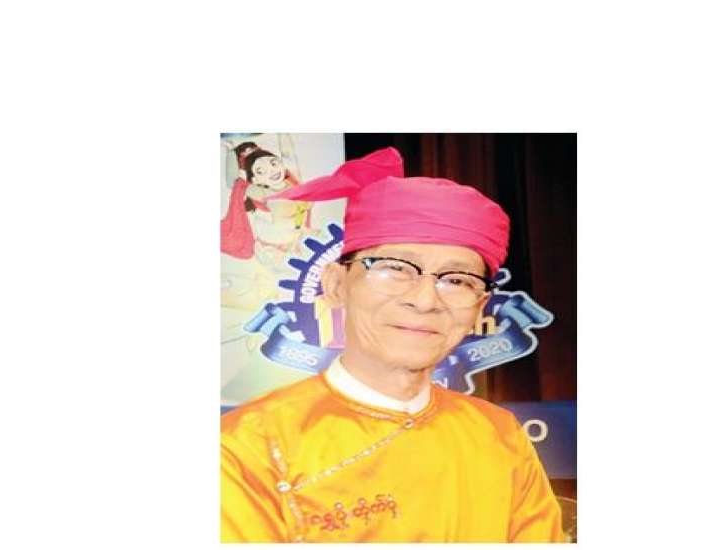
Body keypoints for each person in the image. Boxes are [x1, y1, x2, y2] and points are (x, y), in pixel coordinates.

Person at [220, 147, 564, 542]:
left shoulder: (499, 434)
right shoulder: (249, 446)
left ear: (480, 305)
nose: (425, 300)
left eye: (457, 280)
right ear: (336, 285)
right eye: (394, 269)